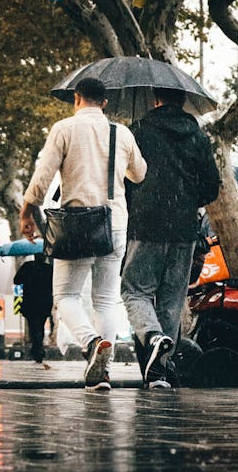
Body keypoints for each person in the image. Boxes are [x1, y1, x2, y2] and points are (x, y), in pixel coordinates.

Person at [20, 77, 147, 391]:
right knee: (105, 300)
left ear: (77, 98)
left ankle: (92, 345)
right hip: (114, 224)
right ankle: (103, 373)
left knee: (65, 296)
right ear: (104, 102)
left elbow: (43, 175)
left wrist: (27, 211)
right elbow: (139, 173)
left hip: (77, 223)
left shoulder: (64, 129)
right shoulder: (122, 132)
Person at [121, 87, 221, 389]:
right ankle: (159, 374)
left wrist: (137, 201)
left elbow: (126, 179)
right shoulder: (198, 136)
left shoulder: (138, 131)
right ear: (183, 101)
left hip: (146, 225)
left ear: (155, 100)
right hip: (184, 229)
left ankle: (152, 337)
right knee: (171, 301)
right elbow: (211, 187)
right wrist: (188, 198)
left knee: (135, 290)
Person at [14, 254, 54, 366]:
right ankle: (38, 348)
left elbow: (16, 280)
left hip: (30, 301)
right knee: (40, 326)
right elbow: (54, 284)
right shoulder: (49, 269)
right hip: (44, 302)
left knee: (33, 326)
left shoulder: (27, 266)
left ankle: (37, 349)